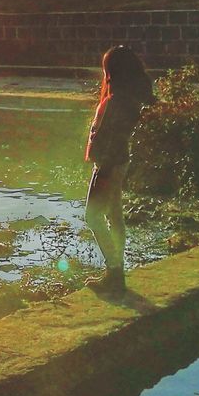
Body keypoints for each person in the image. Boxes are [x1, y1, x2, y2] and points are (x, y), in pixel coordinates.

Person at [84, 45, 154, 294]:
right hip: (117, 161)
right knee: (114, 215)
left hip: (110, 164)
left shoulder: (118, 101)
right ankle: (117, 274)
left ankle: (114, 272)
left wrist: (102, 167)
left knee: (92, 216)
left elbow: (111, 138)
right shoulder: (126, 98)